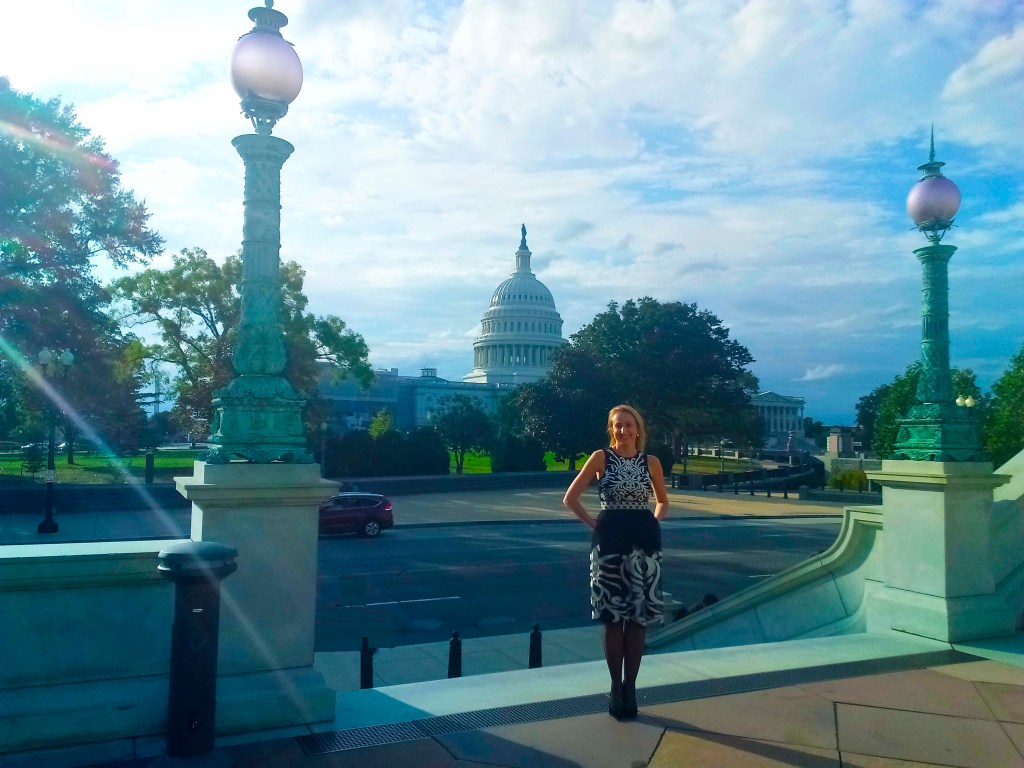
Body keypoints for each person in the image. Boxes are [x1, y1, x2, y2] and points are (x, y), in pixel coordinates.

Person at [563, 404, 668, 721]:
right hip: (609, 543)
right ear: (612, 429)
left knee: (638, 618)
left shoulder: (651, 462)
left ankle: (631, 686)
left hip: (643, 543)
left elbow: (662, 500)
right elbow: (571, 497)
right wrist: (595, 523)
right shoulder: (600, 458)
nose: (623, 430)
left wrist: (654, 522)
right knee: (612, 618)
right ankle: (615, 687)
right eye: (617, 425)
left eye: (628, 425)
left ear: (638, 428)